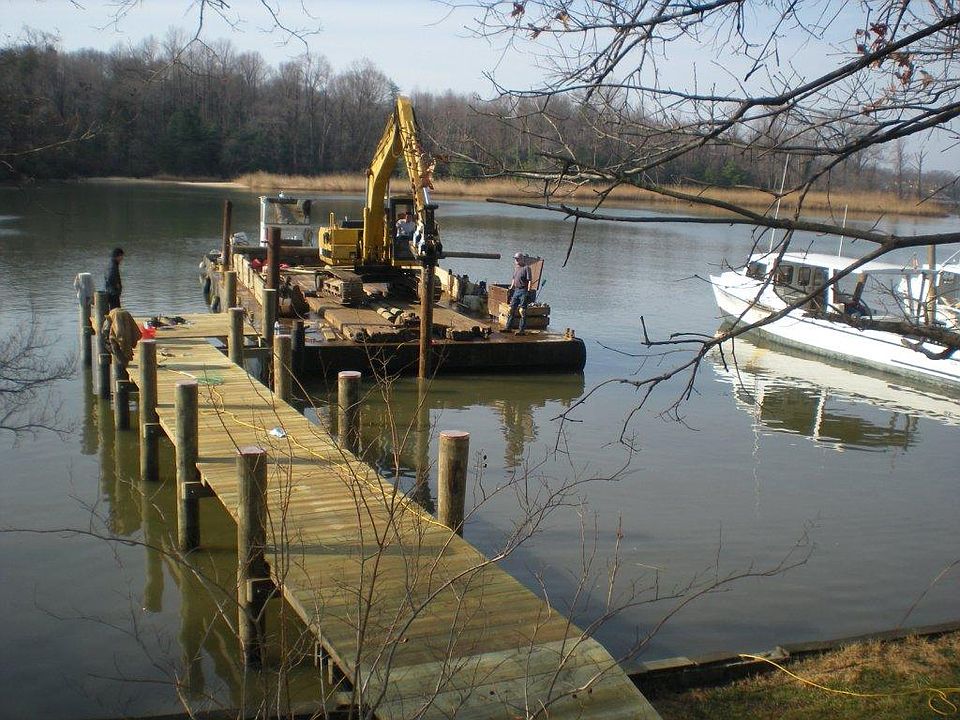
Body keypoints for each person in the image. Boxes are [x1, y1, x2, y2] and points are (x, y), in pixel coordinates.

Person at [504, 252, 533, 335]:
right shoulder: (516, 268)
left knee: (522, 311)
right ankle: (508, 327)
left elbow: (530, 280)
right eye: (515, 259)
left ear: (521, 259)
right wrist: (511, 287)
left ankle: (521, 330)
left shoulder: (527, 268)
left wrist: (528, 290)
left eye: (517, 259)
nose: (516, 260)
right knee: (511, 309)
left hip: (523, 290)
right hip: (516, 290)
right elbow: (514, 278)